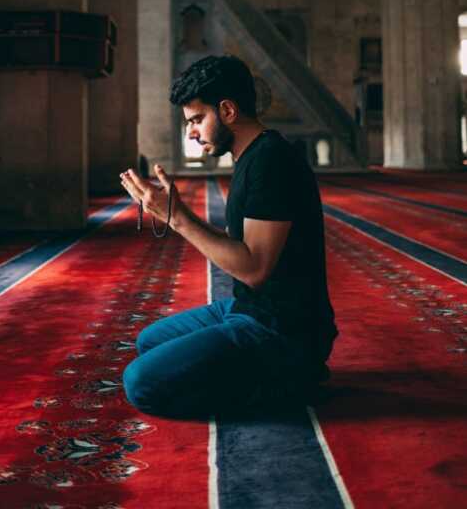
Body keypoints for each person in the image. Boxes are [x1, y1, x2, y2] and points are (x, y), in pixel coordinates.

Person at [120, 55, 337, 418]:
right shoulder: (251, 156)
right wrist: (181, 212)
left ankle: (289, 381)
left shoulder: (272, 162)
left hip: (284, 330)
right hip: (250, 307)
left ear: (227, 110)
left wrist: (176, 219)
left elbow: (254, 268)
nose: (191, 132)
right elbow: (241, 245)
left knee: (141, 384)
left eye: (196, 120)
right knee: (148, 341)